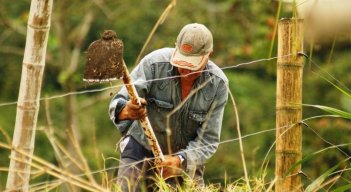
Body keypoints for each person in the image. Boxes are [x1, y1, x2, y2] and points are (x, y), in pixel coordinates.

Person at [109, 23, 228, 191]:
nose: (185, 69)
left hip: (184, 159)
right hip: (140, 148)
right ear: (176, 49)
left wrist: (179, 161)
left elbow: (208, 140)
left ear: (208, 55)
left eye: (192, 65)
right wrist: (127, 111)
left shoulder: (218, 85)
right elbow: (118, 103)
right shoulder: (154, 64)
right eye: (182, 62)